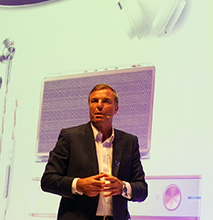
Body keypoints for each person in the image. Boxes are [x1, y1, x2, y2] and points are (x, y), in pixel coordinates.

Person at [41, 83, 148, 220]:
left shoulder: (129, 142)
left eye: (106, 101)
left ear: (116, 109)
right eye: (94, 101)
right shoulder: (70, 137)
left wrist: (122, 187)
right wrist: (78, 185)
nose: (99, 106)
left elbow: (142, 189)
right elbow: (48, 180)